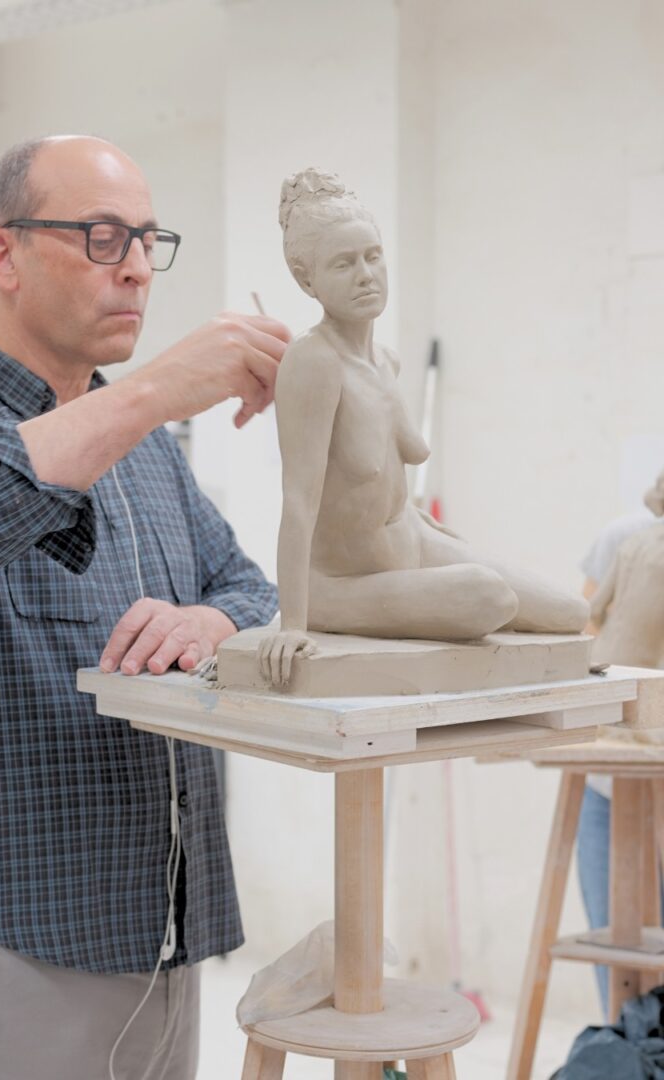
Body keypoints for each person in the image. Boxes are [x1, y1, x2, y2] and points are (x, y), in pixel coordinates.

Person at [0, 135, 290, 1080]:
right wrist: (156, 391)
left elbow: (249, 587)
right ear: (1, 255)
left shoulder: (148, 447)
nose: (136, 268)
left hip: (161, 934)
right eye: (101, 236)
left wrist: (208, 623)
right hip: (8, 937)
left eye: (147, 240)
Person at [257, 168, 587, 686]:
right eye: (343, 263)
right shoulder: (312, 363)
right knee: (489, 597)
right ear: (306, 280)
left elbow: (384, 479)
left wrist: (433, 534)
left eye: (373, 256)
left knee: (570, 612)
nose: (366, 275)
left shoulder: (385, 360)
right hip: (344, 581)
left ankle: (431, 578)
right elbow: (299, 499)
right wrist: (293, 624)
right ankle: (328, 608)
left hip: (412, 544)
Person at [576, 467, 664, 1015]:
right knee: (618, 963)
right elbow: (585, 624)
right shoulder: (626, 537)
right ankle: (625, 1048)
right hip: (612, 780)